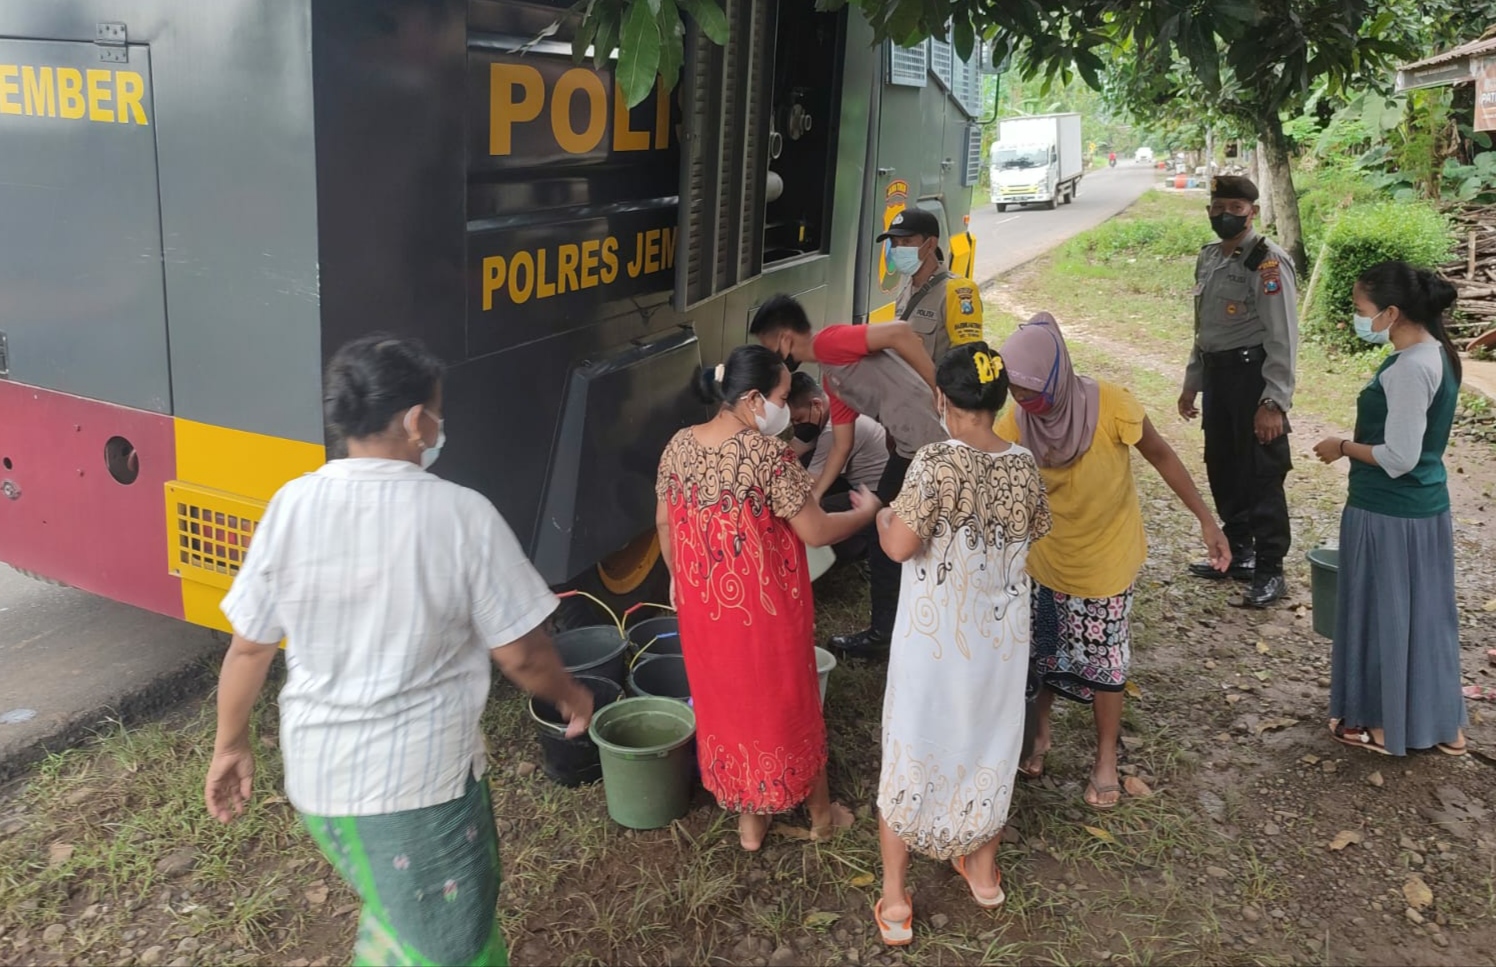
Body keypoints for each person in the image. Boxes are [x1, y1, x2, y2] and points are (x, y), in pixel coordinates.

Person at [204, 334, 593, 967]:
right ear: (417, 421)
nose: (440, 427)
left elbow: (249, 648)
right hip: (417, 789)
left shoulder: (292, 505)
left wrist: (229, 745)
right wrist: (572, 695)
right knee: (453, 946)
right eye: (436, 412)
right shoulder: (460, 515)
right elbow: (521, 654)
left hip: (320, 782)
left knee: (402, 911)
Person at [999, 313, 1229, 809]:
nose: (1023, 400)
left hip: (1105, 559)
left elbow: (1163, 456)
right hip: (1044, 560)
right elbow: (990, 468)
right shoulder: (1016, 420)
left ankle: (1105, 758)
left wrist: (1207, 521)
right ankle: (1040, 735)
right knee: (1040, 657)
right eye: (1014, 390)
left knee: (1105, 664)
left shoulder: (1112, 406)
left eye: (1030, 390)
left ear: (1056, 373)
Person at [655, 344, 879, 849]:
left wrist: (679, 576)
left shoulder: (679, 446)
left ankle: (750, 822)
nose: (785, 407)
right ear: (754, 398)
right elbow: (817, 530)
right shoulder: (766, 455)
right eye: (781, 396)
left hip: (703, 609)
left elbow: (666, 523)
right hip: (763, 612)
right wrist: (866, 515)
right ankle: (821, 816)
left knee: (726, 706)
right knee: (787, 704)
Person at [871, 343, 1051, 946]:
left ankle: (896, 901)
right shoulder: (1024, 464)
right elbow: (1032, 534)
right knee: (988, 745)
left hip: (937, 644)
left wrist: (880, 519)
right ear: (1001, 402)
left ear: (941, 399)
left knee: (913, 745)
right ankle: (982, 874)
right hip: (999, 642)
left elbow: (901, 545)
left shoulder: (935, 463)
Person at [1312, 261, 1467, 757]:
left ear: (1392, 312)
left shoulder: (1408, 369)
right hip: (1426, 509)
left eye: (1362, 309)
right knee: (1425, 618)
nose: (1359, 318)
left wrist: (1342, 446)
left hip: (1387, 511)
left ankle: (1380, 723)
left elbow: (1398, 458)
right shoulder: (1438, 353)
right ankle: (1443, 724)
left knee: (1381, 616)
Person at [750, 294, 946, 659]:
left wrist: (939, 389)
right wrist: (814, 499)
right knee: (888, 526)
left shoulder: (831, 341)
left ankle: (887, 634)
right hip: (908, 447)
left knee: (885, 526)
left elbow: (901, 332)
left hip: (929, 443)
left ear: (785, 340)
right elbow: (841, 446)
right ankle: (901, 624)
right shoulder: (831, 378)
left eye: (768, 347)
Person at [1177, 175, 1299, 607]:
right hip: (1218, 377)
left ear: (1252, 211)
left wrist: (1273, 402)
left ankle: (1270, 569)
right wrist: (1193, 383)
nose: (1224, 214)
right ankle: (1238, 551)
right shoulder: (1209, 257)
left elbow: (1283, 336)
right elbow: (1203, 328)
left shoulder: (1267, 262)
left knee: (1261, 473)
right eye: (1217, 206)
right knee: (1222, 464)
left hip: (1253, 378)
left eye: (1234, 207)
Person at [788, 371, 889, 561]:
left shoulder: (834, 429)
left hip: (877, 496)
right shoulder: (822, 415)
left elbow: (811, 484)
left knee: (809, 517)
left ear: (816, 405)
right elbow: (790, 453)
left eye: (798, 419)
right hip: (857, 482)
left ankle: (860, 543)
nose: (796, 426)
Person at [876, 207, 984, 368]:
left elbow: (968, 356)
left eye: (907, 242)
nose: (898, 249)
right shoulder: (907, 289)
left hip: (936, 389)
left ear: (931, 244)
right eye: (894, 243)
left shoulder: (958, 290)